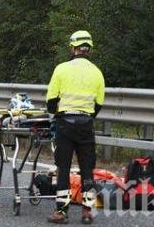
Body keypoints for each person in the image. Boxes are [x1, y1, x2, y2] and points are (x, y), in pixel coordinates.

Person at [46, 30, 105, 225]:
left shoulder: (61, 69)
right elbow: (99, 103)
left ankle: (61, 212)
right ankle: (88, 211)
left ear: (73, 48)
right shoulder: (97, 72)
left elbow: (51, 101)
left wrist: (57, 115)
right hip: (86, 125)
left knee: (63, 168)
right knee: (87, 169)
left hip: (65, 125)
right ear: (89, 50)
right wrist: (87, 116)